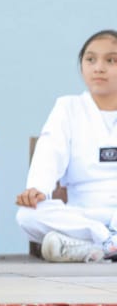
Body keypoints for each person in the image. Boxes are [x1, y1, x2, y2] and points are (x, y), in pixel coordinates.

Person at [15, 29, 117, 263]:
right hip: (83, 215)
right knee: (28, 216)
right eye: (90, 59)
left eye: (111, 60)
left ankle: (90, 248)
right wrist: (37, 188)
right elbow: (50, 151)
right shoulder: (68, 108)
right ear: (81, 66)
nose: (99, 67)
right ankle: (107, 241)